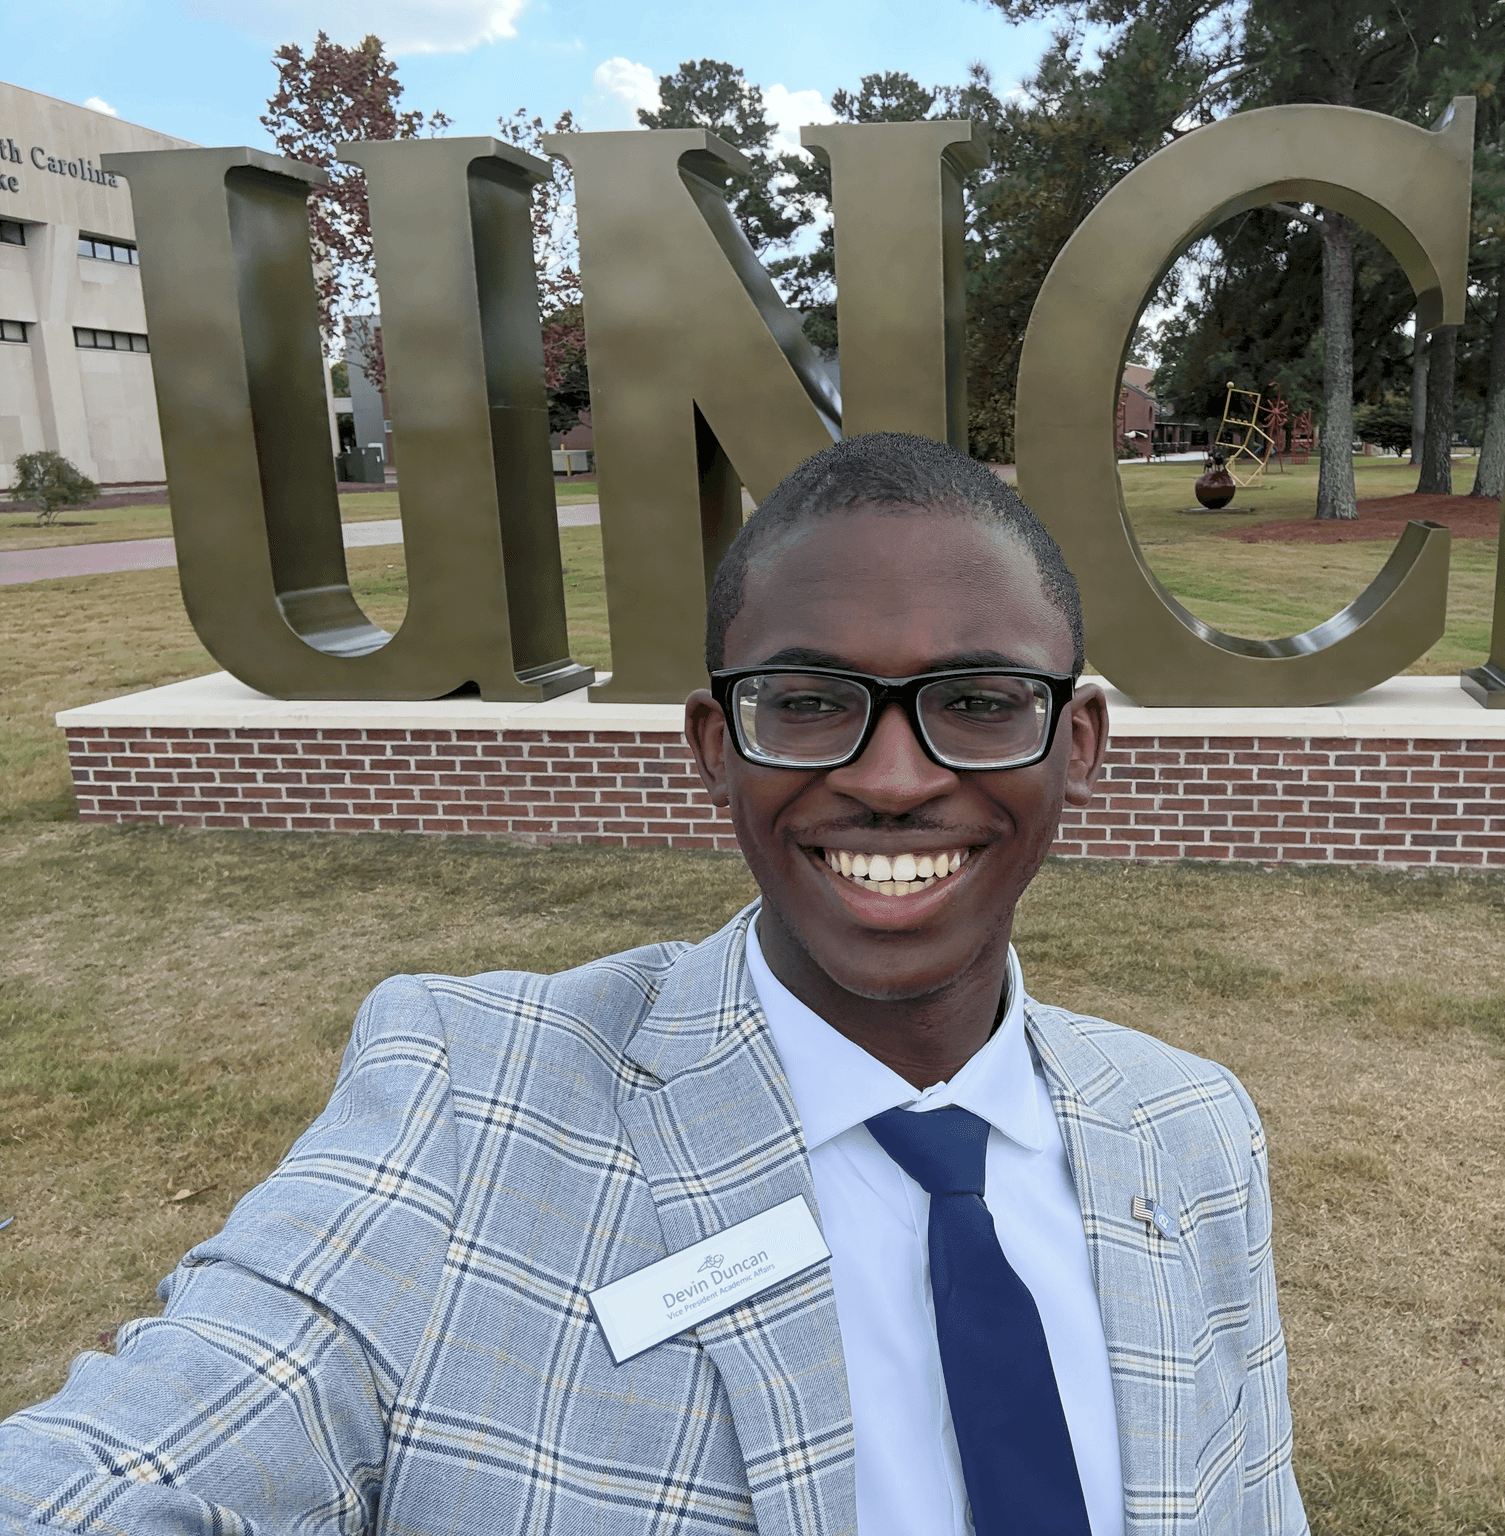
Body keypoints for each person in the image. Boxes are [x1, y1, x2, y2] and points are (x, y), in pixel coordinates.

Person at [0, 433, 1306, 1536]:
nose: (896, 780)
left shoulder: (1194, 1134)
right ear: (713, 750)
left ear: (1074, 745)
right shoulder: (465, 1099)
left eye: (975, 699)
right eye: (807, 700)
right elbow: (153, 1453)